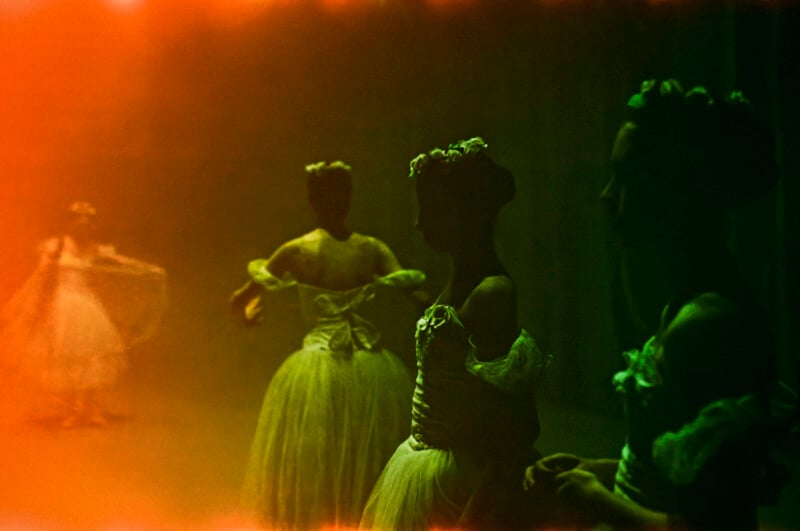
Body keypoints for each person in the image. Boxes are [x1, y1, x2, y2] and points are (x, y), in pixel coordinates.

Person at [530, 80, 798, 530]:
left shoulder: (708, 326)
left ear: (681, 192)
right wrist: (600, 469)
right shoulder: (689, 301)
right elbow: (679, 475)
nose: (607, 195)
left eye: (627, 177)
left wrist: (597, 502)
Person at [360, 138, 547, 531]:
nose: (419, 223)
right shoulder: (459, 281)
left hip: (459, 480)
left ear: (460, 212)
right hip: (425, 462)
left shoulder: (492, 292)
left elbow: (516, 425)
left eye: (429, 209)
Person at [232, 161, 427, 531]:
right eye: (331, 194)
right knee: (347, 453)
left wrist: (247, 315)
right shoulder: (369, 249)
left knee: (332, 453)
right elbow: (418, 297)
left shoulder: (300, 250)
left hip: (327, 366)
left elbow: (240, 299)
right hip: (361, 366)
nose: (336, 200)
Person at [0, 201, 167, 428]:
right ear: (68, 224)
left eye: (88, 224)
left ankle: (88, 408)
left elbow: (121, 263)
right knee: (68, 356)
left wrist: (148, 270)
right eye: (78, 222)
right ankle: (75, 410)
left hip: (86, 304)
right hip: (62, 305)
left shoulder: (93, 249)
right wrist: (32, 305)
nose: (83, 227)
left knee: (92, 354)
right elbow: (41, 277)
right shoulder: (55, 247)